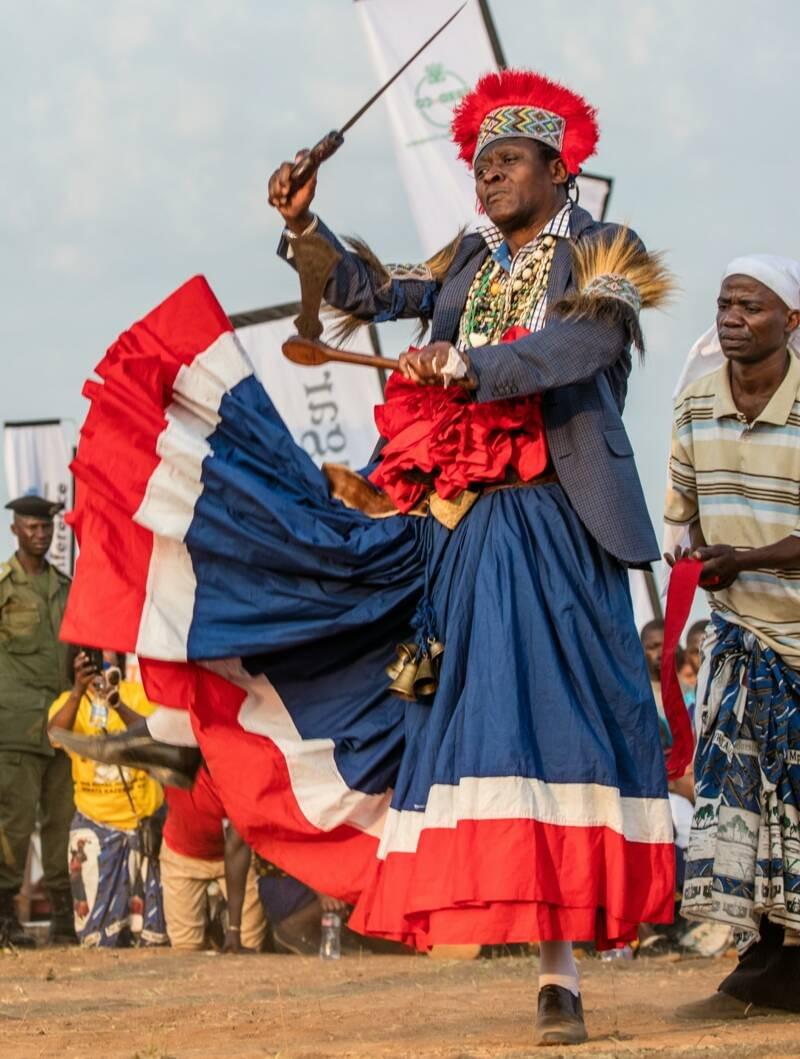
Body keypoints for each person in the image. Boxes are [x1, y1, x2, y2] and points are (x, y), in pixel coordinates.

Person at [57, 69, 676, 1048]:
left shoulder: (602, 249)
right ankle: (198, 702)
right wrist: (309, 230)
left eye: (507, 161)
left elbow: (581, 347)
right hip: (452, 530)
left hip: (552, 525)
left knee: (557, 729)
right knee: (451, 712)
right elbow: (373, 292)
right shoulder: (468, 260)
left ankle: (563, 969)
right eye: (477, 164)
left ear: (558, 168)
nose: (486, 179)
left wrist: (473, 368)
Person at [665, 254, 800, 1019]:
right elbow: (680, 519)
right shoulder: (693, 407)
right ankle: (764, 961)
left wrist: (741, 558)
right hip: (742, 640)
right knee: (741, 806)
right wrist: (691, 560)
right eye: (725, 304)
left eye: (751, 305)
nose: (732, 317)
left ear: (793, 321)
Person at [48, 650, 167, 947]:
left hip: (141, 824)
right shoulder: (68, 702)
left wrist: (116, 702)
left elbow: (154, 736)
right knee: (96, 936)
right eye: (94, 658)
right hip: (95, 825)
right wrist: (78, 690)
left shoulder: (138, 695)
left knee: (149, 934)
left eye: (109, 657)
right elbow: (53, 735)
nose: (103, 665)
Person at [0, 496, 74, 947]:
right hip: (16, 727)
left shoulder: (66, 587)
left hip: (63, 727)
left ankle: (67, 920)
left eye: (46, 527)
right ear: (15, 531)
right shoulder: (3, 587)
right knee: (14, 826)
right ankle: (5, 918)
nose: (41, 534)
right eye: (32, 527)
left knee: (62, 826)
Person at [160, 764, 266, 953]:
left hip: (235, 860)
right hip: (182, 856)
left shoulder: (241, 773)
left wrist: (234, 929)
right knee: (185, 947)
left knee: (250, 943)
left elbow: (237, 846)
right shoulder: (176, 755)